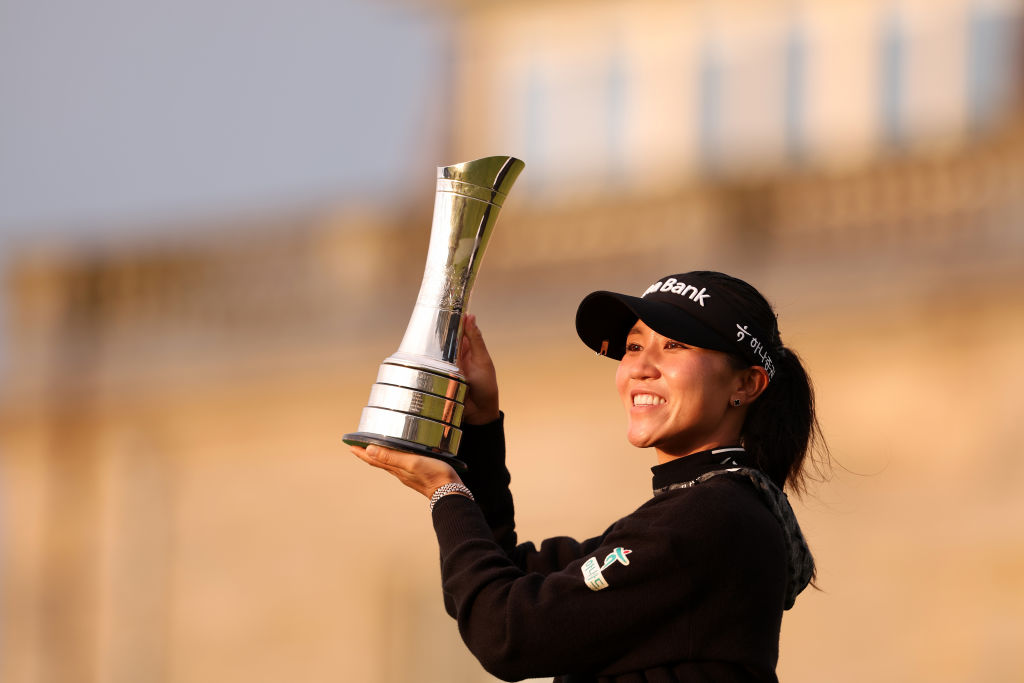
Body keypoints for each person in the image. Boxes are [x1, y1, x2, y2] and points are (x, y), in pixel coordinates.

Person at [350, 270, 827, 682]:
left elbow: (507, 633)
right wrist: (478, 426)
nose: (640, 367)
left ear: (746, 383)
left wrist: (446, 491)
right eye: (634, 345)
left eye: (674, 345)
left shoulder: (715, 517)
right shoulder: (699, 510)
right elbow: (496, 583)